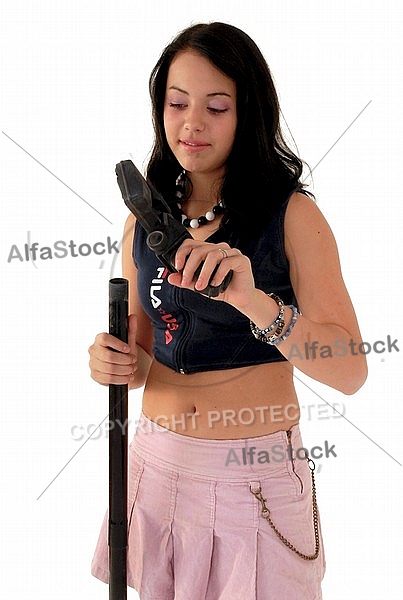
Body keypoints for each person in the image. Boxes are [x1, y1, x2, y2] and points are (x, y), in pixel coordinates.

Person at [89, 22, 367, 600]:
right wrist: (112, 360)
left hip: (253, 479)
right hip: (156, 468)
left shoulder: (293, 216)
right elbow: (141, 357)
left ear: (249, 113)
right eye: (177, 103)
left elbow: (349, 370)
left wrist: (250, 299)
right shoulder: (143, 221)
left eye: (217, 106)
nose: (192, 124)